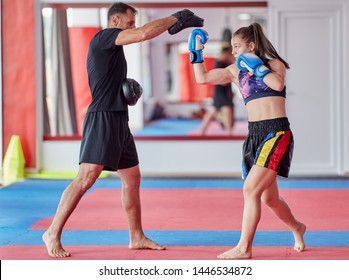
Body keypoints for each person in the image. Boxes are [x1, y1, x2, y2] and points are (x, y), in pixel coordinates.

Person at [43, 2, 203, 258]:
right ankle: (52, 232)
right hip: (102, 117)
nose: (134, 27)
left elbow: (138, 35)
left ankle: (136, 236)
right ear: (115, 21)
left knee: (132, 178)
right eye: (129, 22)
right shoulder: (104, 37)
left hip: (119, 119)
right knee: (86, 177)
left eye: (134, 23)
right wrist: (176, 18)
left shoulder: (114, 48)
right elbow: (142, 35)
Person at [188, 24, 306, 259]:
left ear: (251, 46)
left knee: (250, 190)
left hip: (276, 132)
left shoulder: (274, 65)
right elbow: (202, 78)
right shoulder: (234, 71)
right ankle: (297, 227)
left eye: (237, 46)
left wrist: (257, 67)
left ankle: (244, 247)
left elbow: (277, 85)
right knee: (269, 198)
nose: (233, 52)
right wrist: (196, 51)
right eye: (231, 48)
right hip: (254, 135)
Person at [198, 44, 235, 135]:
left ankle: (202, 131)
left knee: (214, 110)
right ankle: (229, 132)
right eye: (230, 55)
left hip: (223, 91)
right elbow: (217, 79)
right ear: (226, 54)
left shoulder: (225, 64)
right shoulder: (219, 63)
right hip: (220, 92)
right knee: (226, 109)